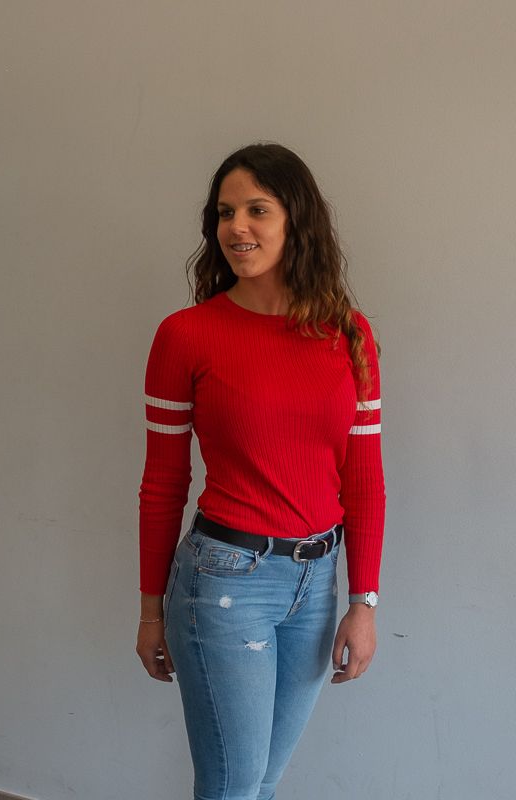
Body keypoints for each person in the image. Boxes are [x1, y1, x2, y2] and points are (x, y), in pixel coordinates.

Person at [135, 143, 385, 800]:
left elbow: (364, 484)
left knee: (262, 784)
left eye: (256, 209)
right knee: (233, 788)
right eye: (224, 213)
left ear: (295, 219)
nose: (236, 228)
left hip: (316, 586)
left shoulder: (349, 336)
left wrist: (364, 602)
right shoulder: (186, 335)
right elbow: (162, 483)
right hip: (226, 584)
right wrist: (150, 610)